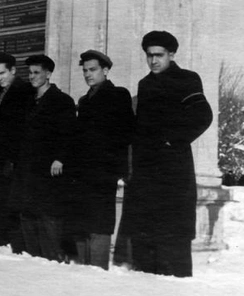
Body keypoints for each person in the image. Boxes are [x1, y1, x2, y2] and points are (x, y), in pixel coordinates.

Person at [127, 30, 213, 277]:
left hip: (173, 176)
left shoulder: (186, 79)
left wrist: (170, 141)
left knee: (172, 245)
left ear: (171, 54)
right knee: (146, 250)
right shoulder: (145, 84)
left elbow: (202, 115)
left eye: (159, 55)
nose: (153, 60)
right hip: (145, 176)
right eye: (149, 55)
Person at [69, 50, 134, 270]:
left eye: (93, 69)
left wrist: (117, 170)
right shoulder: (84, 100)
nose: (88, 74)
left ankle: (97, 272)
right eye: (85, 70)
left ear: (105, 70)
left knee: (99, 222)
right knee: (81, 221)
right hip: (82, 172)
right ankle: (83, 271)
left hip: (103, 171)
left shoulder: (118, 95)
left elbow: (125, 133)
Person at [17, 54, 76, 261]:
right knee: (29, 215)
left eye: (36, 73)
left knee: (48, 217)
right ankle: (34, 260)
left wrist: (60, 158)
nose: (31, 77)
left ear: (48, 74)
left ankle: (53, 259)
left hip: (50, 171)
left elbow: (68, 134)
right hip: (29, 170)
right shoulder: (29, 101)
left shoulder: (62, 101)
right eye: (30, 73)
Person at [0, 53, 33, 252]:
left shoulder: (23, 91)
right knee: (0, 201)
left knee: (13, 204)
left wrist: (12, 159)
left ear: (13, 70)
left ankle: (16, 247)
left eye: (3, 73)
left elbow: (22, 130)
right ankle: (0, 243)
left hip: (13, 159)